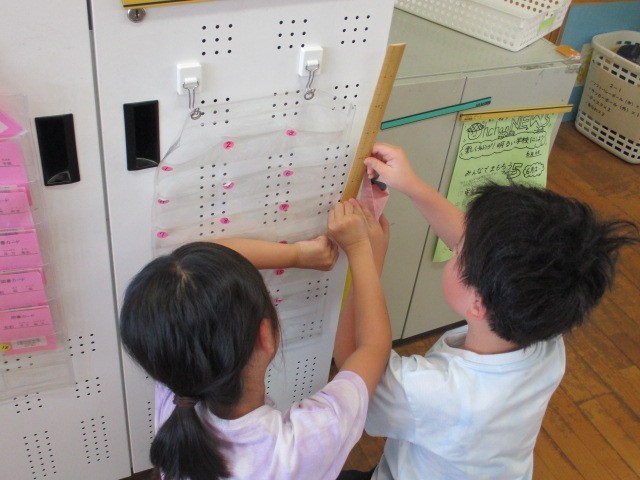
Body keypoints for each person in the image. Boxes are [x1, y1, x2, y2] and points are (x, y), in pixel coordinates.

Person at [341, 143, 639, 480]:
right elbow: (485, 252)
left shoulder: (439, 394)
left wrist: (366, 258)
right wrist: (412, 185)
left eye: (458, 252)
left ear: (477, 304)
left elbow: (353, 367)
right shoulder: (545, 324)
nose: (455, 242)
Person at [119, 199, 391, 480]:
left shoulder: (176, 386)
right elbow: (373, 348)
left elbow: (196, 267)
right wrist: (364, 250)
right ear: (265, 335)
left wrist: (298, 255)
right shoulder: (305, 442)